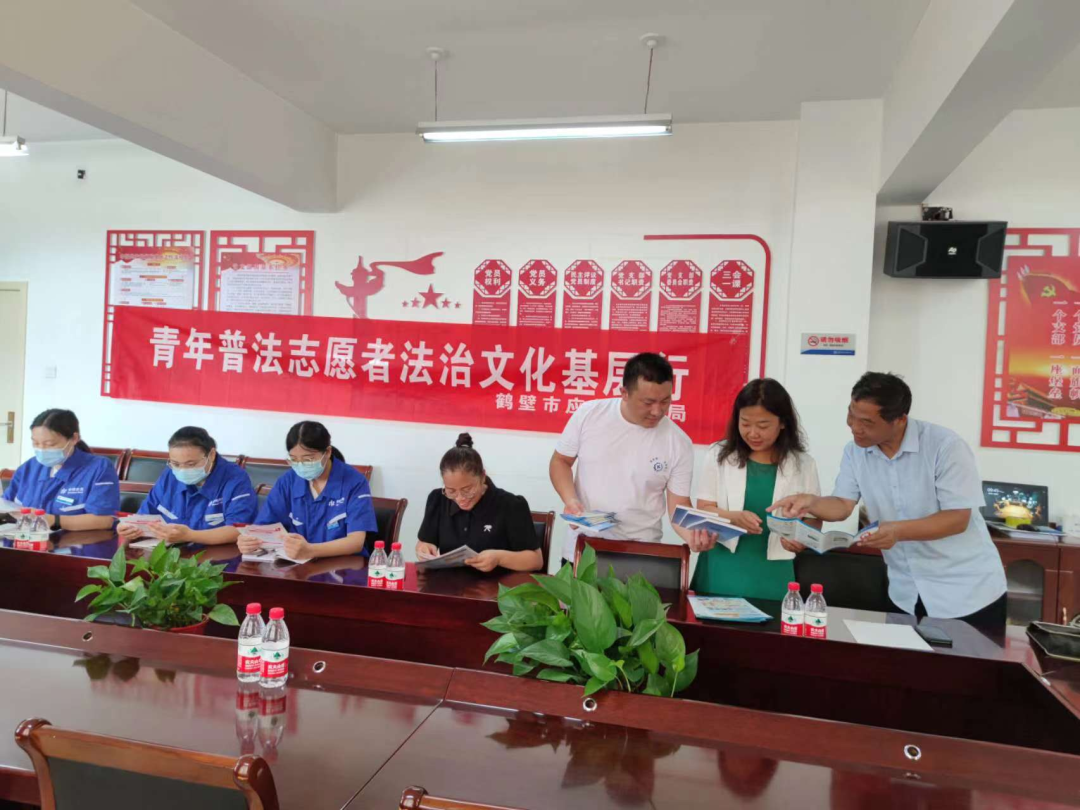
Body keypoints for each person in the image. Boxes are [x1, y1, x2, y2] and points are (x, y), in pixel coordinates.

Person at [770, 372, 1007, 627]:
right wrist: (811, 502)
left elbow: (957, 519)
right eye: (851, 414)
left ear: (900, 420)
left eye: (867, 422)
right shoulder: (855, 452)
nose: (855, 427)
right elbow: (842, 505)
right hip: (904, 591)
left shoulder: (945, 447)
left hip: (966, 592)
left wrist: (896, 531)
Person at [549, 352, 703, 566]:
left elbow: (679, 505)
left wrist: (693, 536)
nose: (657, 411)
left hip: (640, 552)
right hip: (583, 547)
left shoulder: (678, 442)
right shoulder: (590, 414)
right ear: (624, 393)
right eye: (648, 402)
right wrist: (570, 500)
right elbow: (560, 462)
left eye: (665, 401)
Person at [691, 379, 821, 599]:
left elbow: (814, 519)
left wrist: (802, 538)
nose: (753, 433)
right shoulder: (719, 455)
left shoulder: (803, 464)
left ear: (783, 422)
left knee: (771, 620)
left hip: (773, 570)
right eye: (745, 424)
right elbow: (704, 509)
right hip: (722, 565)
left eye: (762, 426)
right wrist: (733, 517)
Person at [239, 421, 376, 560]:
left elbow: (355, 542)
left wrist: (311, 550)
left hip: (343, 565)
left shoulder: (354, 482)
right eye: (294, 460)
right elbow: (263, 527)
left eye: (308, 459)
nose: (301, 465)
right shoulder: (288, 481)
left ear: (327, 452)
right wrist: (249, 541)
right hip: (295, 563)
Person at [416, 433, 543, 573]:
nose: (460, 498)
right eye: (451, 491)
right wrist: (424, 549)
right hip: (449, 583)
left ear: (483, 476)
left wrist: (499, 558)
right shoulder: (438, 499)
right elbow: (424, 542)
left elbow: (536, 560)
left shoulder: (510, 505)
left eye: (467, 490)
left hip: (497, 584)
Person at [116, 427, 257, 546]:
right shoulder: (170, 474)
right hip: (169, 552)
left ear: (212, 455)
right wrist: (129, 528)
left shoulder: (235, 478)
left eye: (191, 464)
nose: (182, 470)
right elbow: (145, 515)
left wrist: (190, 536)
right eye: (176, 464)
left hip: (217, 557)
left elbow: (238, 529)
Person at [2, 409, 119, 531]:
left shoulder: (99, 467)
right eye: (36, 443)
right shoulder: (29, 467)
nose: (41, 449)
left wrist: (52, 520)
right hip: (25, 538)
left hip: (74, 541)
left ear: (74, 438)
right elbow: (7, 504)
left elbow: (104, 520)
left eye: (50, 444)